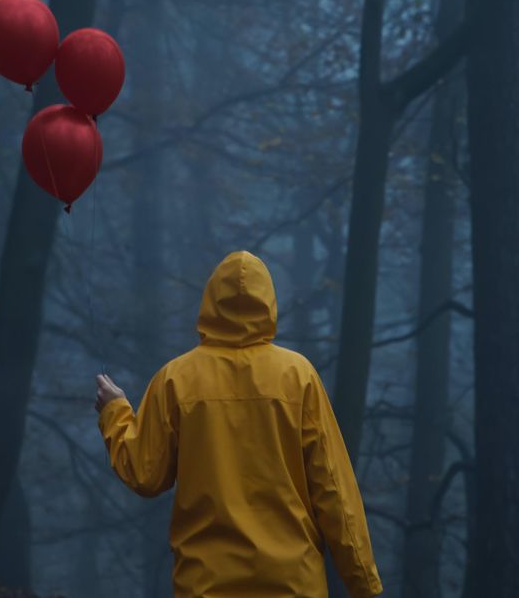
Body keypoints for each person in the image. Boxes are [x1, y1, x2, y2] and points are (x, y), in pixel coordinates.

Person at [94, 250, 383, 598]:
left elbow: (144, 473)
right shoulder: (298, 377)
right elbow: (335, 492)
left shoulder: (176, 379)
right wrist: (364, 586)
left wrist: (115, 412)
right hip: (293, 585)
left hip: (204, 586)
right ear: (268, 303)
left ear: (211, 301)